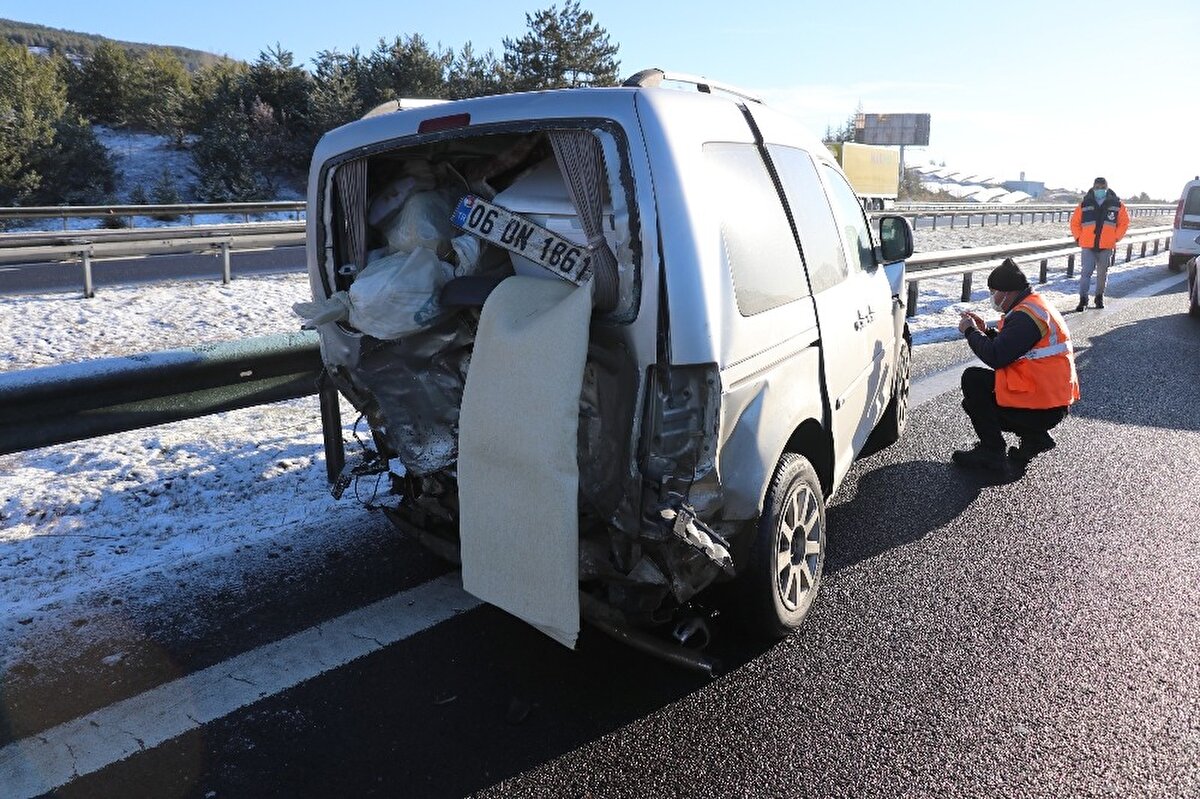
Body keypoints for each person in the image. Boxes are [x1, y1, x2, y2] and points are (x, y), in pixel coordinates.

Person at [951, 258, 1080, 471]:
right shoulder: (1033, 306)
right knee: (976, 398)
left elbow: (996, 356)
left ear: (1008, 292)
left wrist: (969, 331)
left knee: (973, 381)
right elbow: (1015, 348)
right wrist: (985, 332)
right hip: (1049, 398)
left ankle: (992, 452)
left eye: (994, 292)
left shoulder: (1026, 317)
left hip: (1041, 404)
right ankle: (1034, 438)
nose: (992, 297)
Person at [1069, 176, 1130, 311]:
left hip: (1106, 245)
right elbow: (1074, 223)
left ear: (1106, 188)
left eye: (1102, 188)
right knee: (1086, 273)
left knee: (1102, 274)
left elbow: (1124, 223)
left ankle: (1099, 297)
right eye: (1097, 188)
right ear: (1093, 187)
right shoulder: (1084, 204)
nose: (1099, 190)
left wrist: (1115, 238)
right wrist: (1079, 238)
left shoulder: (1116, 205)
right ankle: (1083, 299)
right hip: (1088, 245)